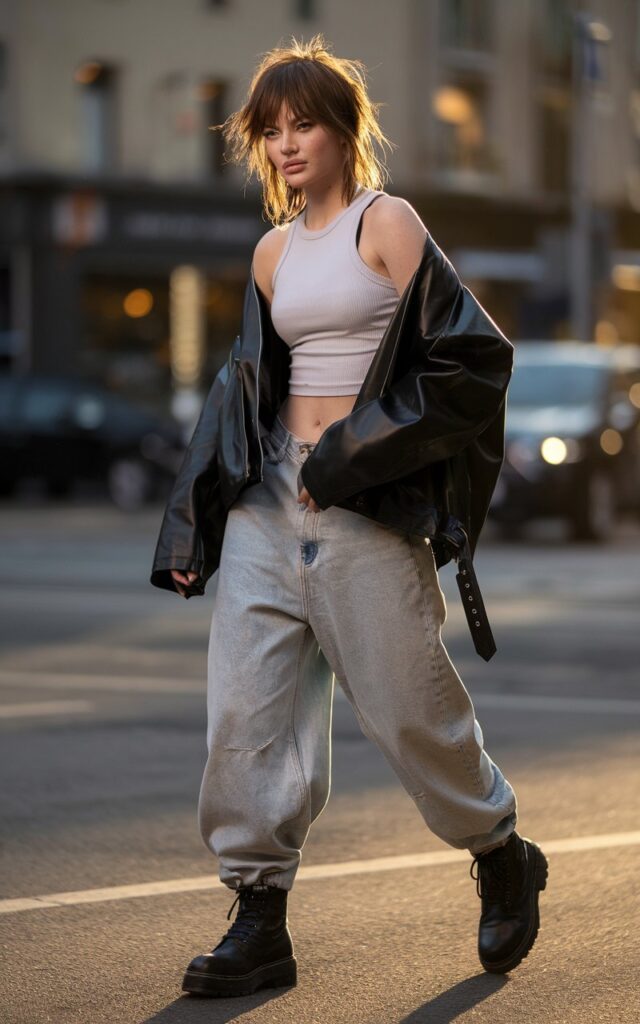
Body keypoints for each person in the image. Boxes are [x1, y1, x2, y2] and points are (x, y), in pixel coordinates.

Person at [151, 34, 548, 999]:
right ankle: (259, 915)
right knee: (247, 716)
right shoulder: (272, 251)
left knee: (412, 710)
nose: (288, 144)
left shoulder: (387, 221)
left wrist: (351, 457)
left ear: (343, 132)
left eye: (306, 124)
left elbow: (471, 361)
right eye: (271, 129)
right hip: (265, 508)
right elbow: (241, 393)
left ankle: (500, 852)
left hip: (364, 506)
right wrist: (195, 523)